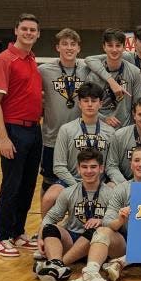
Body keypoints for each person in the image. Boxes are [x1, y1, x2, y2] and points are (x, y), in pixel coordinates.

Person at [64, 146, 141, 281]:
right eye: (136, 160)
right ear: (131, 164)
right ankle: (91, 274)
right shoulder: (122, 189)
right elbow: (107, 222)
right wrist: (120, 219)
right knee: (102, 231)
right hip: (127, 245)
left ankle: (120, 262)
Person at [0, 13, 43, 257]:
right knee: (11, 186)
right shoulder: (4, 60)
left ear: (38, 34)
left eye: (33, 30)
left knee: (27, 185)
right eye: (25, 29)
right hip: (14, 129)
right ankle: (2, 237)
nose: (29, 33)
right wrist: (3, 137)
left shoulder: (31, 59)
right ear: (16, 30)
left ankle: (18, 232)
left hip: (34, 129)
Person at [34, 149, 113, 281]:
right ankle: (56, 263)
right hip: (72, 239)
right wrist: (41, 236)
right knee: (50, 228)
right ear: (78, 169)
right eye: (84, 167)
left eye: (93, 167)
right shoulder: (68, 192)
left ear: (101, 169)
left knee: (95, 231)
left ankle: (58, 265)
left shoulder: (111, 194)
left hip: (94, 244)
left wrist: (101, 220)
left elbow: (117, 223)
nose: (89, 171)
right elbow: (50, 217)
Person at [40, 82, 115, 218]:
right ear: (79, 104)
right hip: (72, 180)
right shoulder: (66, 130)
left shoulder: (110, 132)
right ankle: (43, 232)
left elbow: (110, 165)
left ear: (101, 104)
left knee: (117, 192)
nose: (90, 104)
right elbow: (59, 166)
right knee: (48, 198)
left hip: (100, 181)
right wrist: (77, 186)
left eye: (94, 101)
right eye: (85, 101)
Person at [38, 28, 91, 194]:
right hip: (52, 138)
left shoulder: (87, 68)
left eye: (73, 44)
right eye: (65, 44)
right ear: (57, 47)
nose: (69, 48)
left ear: (78, 48)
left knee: (79, 182)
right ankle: (46, 220)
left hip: (79, 138)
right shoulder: (43, 70)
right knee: (49, 183)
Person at [87, 28, 141, 129]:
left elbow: (138, 104)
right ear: (104, 47)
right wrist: (104, 119)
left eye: (118, 45)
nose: (114, 49)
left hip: (125, 128)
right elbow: (87, 106)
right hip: (100, 128)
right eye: (110, 45)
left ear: (124, 47)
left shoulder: (134, 72)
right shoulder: (94, 75)